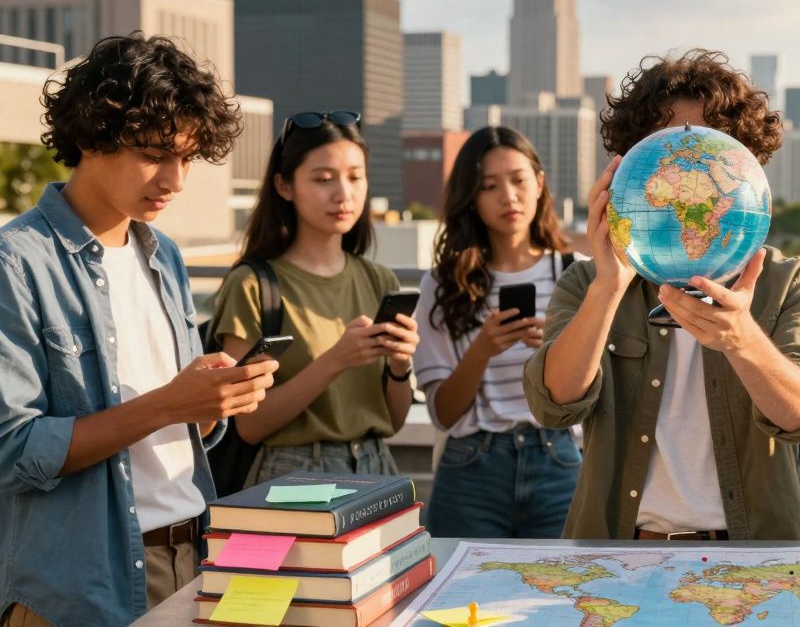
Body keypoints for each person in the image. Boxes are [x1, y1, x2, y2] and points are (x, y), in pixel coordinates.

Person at [0, 33, 278, 626]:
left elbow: (178, 430)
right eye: (154, 153)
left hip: (194, 553)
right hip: (78, 582)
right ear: (88, 136)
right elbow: (12, 450)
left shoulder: (164, 255)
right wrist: (166, 404)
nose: (175, 180)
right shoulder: (17, 263)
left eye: (187, 157)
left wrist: (209, 404)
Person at [523, 49, 800, 541]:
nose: (691, 184)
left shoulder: (793, 281)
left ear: (746, 172)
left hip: (753, 559)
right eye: (663, 154)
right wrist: (609, 285)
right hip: (619, 557)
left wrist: (742, 340)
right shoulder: (588, 283)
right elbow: (554, 404)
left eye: (712, 157)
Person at [208, 110, 419, 484]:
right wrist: (336, 360)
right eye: (324, 179)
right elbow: (250, 425)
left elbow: (392, 421)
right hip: (293, 473)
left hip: (376, 466)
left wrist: (401, 365)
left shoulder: (378, 279)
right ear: (284, 186)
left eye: (356, 177)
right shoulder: (254, 285)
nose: (344, 193)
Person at [414, 126, 583, 537]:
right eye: (489, 186)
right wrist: (481, 350)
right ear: (471, 198)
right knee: (458, 597)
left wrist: (559, 355)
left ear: (540, 184)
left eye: (519, 180)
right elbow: (442, 413)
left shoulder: (575, 274)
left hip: (558, 459)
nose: (508, 196)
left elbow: (602, 388)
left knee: (559, 594)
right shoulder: (444, 284)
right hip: (472, 467)